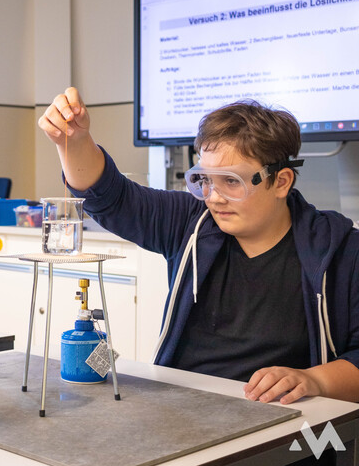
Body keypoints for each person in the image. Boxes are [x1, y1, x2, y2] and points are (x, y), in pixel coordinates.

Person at [39, 87, 359, 407]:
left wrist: (315, 380)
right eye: (205, 180)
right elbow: (111, 197)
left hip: (281, 416)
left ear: (281, 181)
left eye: (231, 181)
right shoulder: (191, 223)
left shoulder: (340, 250)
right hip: (183, 409)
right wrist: (74, 140)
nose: (214, 198)